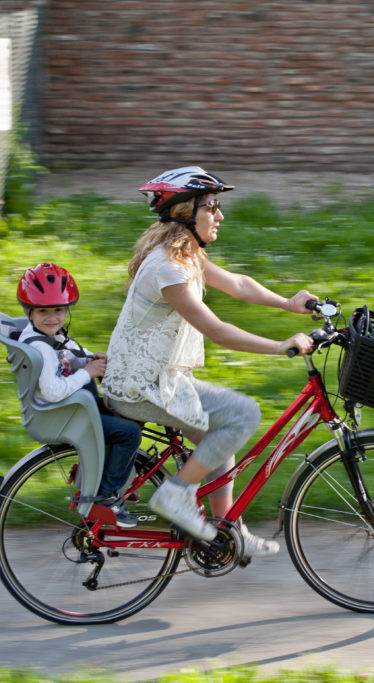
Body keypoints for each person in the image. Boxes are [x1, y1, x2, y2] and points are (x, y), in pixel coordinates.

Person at [101, 166, 316, 558]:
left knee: (221, 438)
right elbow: (217, 330)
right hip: (142, 387)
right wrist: (280, 345)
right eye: (212, 206)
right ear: (186, 212)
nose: (220, 215)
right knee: (243, 414)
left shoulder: (184, 255)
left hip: (154, 380)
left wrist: (288, 303)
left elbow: (236, 284)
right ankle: (175, 495)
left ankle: (225, 529)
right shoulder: (169, 268)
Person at [16, 262, 143, 527]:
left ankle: (112, 476)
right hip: (60, 414)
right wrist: (88, 373)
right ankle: (107, 495)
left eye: (59, 310)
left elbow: (68, 354)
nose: (52, 318)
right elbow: (53, 391)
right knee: (128, 432)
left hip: (69, 409)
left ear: (67, 310)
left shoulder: (48, 335)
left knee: (127, 411)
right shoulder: (41, 347)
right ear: (29, 312)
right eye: (43, 311)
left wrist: (90, 360)